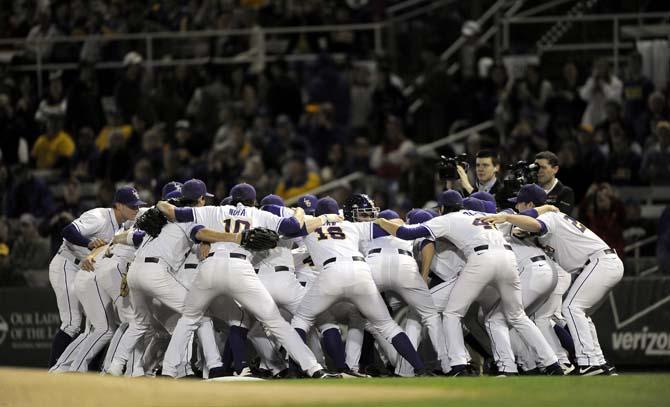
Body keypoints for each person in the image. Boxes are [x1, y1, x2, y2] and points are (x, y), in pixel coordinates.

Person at [155, 183, 339, 379]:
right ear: (253, 201)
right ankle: (314, 368)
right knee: (276, 322)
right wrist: (300, 211)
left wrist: (165, 202)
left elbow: (170, 211)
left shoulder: (215, 210)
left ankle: (167, 370)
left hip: (210, 267)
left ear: (232, 199)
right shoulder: (258, 214)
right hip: (240, 269)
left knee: (189, 319)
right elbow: (293, 227)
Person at [375, 190, 562, 376]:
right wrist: (545, 207)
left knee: (452, 312)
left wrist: (381, 222)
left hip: (481, 259)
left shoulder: (448, 218)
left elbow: (407, 233)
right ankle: (551, 363)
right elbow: (525, 215)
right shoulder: (482, 214)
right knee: (517, 316)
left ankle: (457, 365)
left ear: (441, 209)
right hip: (508, 259)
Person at [479, 186, 624, 376]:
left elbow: (537, 224)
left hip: (599, 262)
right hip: (603, 262)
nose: (516, 208)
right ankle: (598, 360)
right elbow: (530, 227)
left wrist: (508, 217)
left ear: (530, 204)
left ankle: (588, 361)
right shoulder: (551, 216)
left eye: (519, 204)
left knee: (571, 308)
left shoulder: (549, 217)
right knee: (581, 313)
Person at [289, 197, 431, 376]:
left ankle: (294, 369)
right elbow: (390, 229)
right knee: (387, 325)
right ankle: (420, 368)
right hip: (360, 272)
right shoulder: (352, 226)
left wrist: (303, 214)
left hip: (331, 273)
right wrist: (393, 221)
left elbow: (291, 228)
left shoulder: (310, 225)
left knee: (301, 320)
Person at [47, 187, 145, 367]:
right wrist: (88, 243)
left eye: (137, 206)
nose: (136, 210)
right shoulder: (99, 216)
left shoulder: (123, 225)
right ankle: (54, 370)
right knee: (72, 323)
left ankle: (78, 369)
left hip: (89, 271)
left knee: (96, 326)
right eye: (132, 206)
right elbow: (67, 231)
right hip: (68, 264)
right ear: (118, 205)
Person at [579, 58, 623, 128]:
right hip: (591, 116)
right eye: (597, 67)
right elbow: (584, 96)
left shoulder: (615, 82)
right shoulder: (591, 81)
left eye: (601, 67)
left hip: (607, 116)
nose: (599, 70)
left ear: (607, 68)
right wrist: (593, 86)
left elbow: (615, 99)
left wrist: (602, 85)